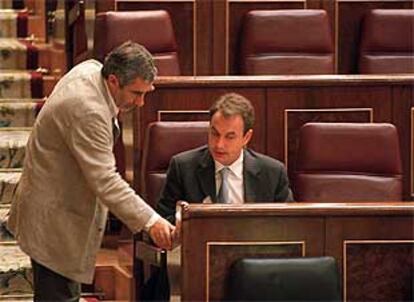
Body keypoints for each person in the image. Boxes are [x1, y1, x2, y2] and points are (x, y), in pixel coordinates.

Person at [6, 41, 175, 301]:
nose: (141, 103)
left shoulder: (92, 69)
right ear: (114, 80)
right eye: (136, 93)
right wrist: (151, 222)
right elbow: (106, 181)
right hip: (54, 222)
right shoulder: (88, 110)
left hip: (58, 206)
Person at [157, 92, 293, 224]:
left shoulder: (273, 173)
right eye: (215, 134)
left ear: (246, 137)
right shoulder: (183, 168)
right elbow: (164, 221)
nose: (219, 145)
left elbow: (289, 224)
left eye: (230, 137)